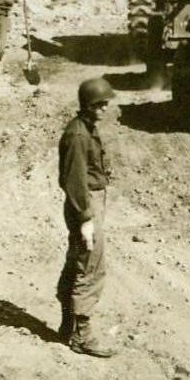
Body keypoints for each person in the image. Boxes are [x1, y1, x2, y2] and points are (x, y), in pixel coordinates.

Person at [56, 76, 116, 357]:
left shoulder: (86, 128)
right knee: (90, 266)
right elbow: (75, 180)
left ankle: (68, 324)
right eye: (100, 104)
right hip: (85, 205)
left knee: (78, 261)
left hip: (88, 203)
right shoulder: (78, 135)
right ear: (88, 105)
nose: (105, 109)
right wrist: (86, 219)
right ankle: (81, 334)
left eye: (106, 104)